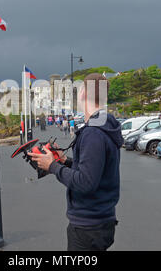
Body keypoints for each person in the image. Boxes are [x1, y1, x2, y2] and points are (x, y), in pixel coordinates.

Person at [28, 73, 123, 251]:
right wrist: (65, 161)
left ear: (83, 93)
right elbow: (95, 171)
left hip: (88, 226)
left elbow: (86, 183)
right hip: (101, 220)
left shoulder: (93, 133)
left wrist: (52, 166)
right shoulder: (103, 127)